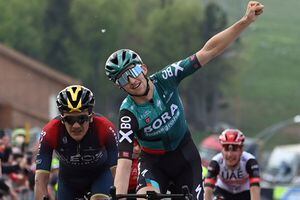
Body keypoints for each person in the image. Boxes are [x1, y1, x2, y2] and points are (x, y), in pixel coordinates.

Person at [104, 2, 264, 200]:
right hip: (154, 164)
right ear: (119, 86)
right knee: (143, 198)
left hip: (185, 156)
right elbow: (125, 160)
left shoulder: (167, 78)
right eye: (122, 79)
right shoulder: (128, 112)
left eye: (133, 72)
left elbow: (209, 50)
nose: (132, 81)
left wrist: (245, 21)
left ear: (143, 68)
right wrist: (119, 196)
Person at [34, 85, 118, 200]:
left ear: (91, 116)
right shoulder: (51, 131)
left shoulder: (105, 128)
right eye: (70, 120)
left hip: (101, 176)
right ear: (62, 119)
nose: (76, 125)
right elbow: (40, 179)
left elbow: (117, 170)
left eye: (82, 119)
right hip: (68, 181)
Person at [204, 129, 261, 200]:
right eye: (226, 149)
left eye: (234, 149)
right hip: (222, 192)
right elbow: (208, 189)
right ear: (222, 150)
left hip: (244, 193)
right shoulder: (216, 162)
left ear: (241, 150)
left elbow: (255, 188)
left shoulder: (250, 161)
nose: (230, 154)